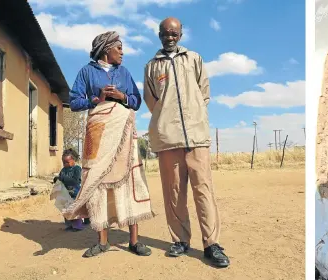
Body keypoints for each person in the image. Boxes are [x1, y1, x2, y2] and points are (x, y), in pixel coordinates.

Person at [143, 17, 229, 267]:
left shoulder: (194, 59)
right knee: (174, 193)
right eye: (165, 33)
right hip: (168, 139)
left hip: (196, 137)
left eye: (174, 33)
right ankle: (180, 240)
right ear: (159, 34)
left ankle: (211, 244)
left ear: (180, 35)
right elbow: (151, 100)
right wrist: (165, 117)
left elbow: (204, 93)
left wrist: (194, 117)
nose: (169, 36)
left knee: (203, 190)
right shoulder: (151, 66)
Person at [63, 31, 155, 258]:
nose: (123, 53)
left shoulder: (123, 73)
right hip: (98, 131)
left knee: (129, 179)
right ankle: (102, 241)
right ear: (107, 49)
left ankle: (134, 241)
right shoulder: (87, 72)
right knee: (98, 181)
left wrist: (123, 97)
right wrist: (98, 99)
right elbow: (74, 102)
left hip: (123, 132)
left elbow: (136, 101)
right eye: (119, 48)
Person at [54, 149, 85, 232]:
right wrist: (57, 180)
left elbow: (75, 181)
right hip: (65, 194)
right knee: (65, 210)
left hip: (75, 193)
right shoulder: (63, 170)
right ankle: (69, 225)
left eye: (67, 162)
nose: (65, 164)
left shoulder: (77, 169)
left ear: (73, 161)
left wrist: (64, 178)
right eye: (63, 162)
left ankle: (78, 226)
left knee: (74, 210)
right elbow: (60, 180)